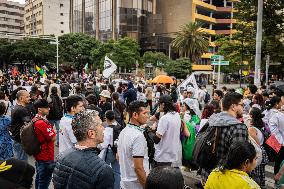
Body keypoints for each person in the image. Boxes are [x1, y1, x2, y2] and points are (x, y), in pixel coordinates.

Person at [53, 110, 114, 189]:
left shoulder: (61, 157)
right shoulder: (103, 170)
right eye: (100, 125)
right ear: (91, 133)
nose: (103, 128)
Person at [201, 92, 248, 182]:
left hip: (207, 175)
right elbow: (240, 158)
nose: (243, 107)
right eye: (242, 105)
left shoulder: (212, 120)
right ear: (233, 107)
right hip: (225, 177)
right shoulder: (238, 127)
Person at [117, 101, 149, 189]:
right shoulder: (138, 136)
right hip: (136, 185)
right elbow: (138, 167)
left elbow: (118, 156)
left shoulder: (123, 131)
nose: (147, 116)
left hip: (124, 183)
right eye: (144, 113)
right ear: (135, 115)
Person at [152, 95, 182, 168]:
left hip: (162, 155)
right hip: (173, 153)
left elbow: (157, 139)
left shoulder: (164, 118)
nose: (158, 107)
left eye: (159, 104)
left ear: (163, 104)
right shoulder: (177, 115)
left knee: (159, 177)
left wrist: (151, 130)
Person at [33, 99, 56, 189]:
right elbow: (53, 138)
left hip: (39, 154)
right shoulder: (41, 123)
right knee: (44, 181)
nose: (49, 109)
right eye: (46, 108)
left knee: (39, 177)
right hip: (46, 156)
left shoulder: (35, 119)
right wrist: (53, 131)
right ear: (39, 109)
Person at [99, 110, 122, 189]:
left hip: (110, 151)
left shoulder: (107, 129)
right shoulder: (119, 126)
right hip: (118, 151)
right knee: (117, 172)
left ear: (106, 119)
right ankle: (117, 187)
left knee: (101, 169)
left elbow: (104, 144)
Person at [10, 90, 31, 161]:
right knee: (22, 162)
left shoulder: (15, 107)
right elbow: (28, 125)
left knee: (18, 159)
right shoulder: (22, 110)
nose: (29, 98)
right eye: (27, 97)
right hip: (20, 139)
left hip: (15, 138)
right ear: (21, 98)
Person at [267, 96, 284, 174]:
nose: (282, 103)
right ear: (277, 104)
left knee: (277, 160)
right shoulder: (278, 115)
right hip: (279, 141)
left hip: (273, 139)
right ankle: (278, 178)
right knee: (279, 161)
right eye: (280, 102)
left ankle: (276, 179)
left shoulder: (269, 111)